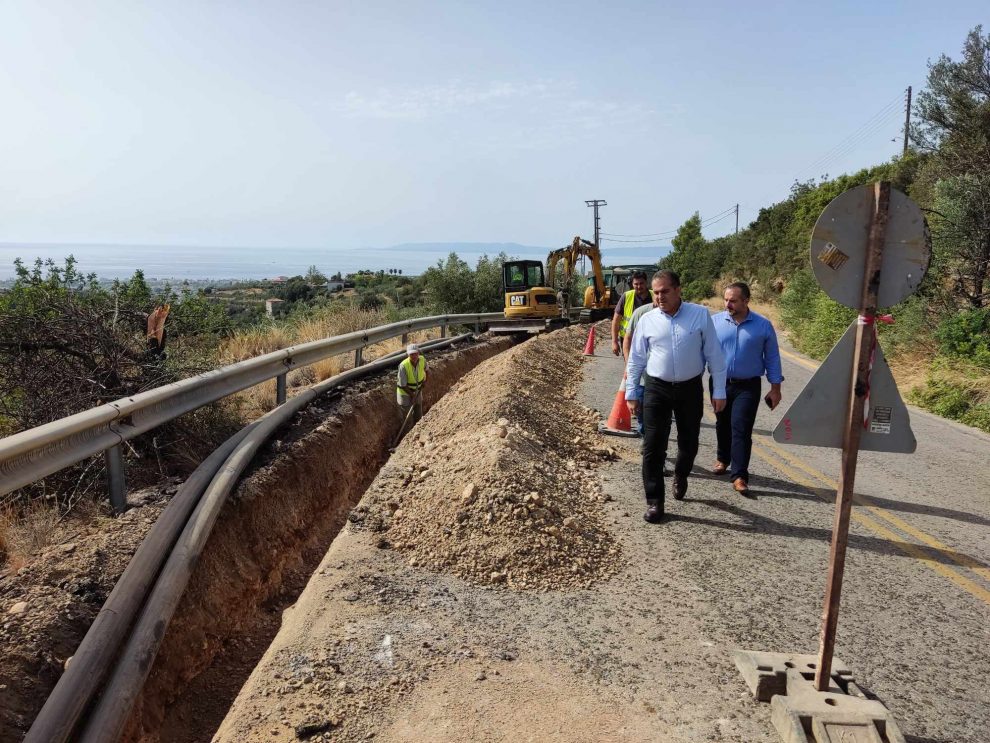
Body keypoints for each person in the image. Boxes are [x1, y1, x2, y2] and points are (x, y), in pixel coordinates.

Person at [625, 270, 726, 524]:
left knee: (689, 442)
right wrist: (632, 391)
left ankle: (681, 474)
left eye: (664, 291)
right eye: (656, 292)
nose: (659, 297)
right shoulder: (647, 320)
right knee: (652, 446)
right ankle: (655, 502)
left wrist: (720, 390)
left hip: (689, 388)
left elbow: (714, 355)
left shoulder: (700, 315)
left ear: (678, 290)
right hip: (656, 388)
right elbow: (636, 358)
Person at [712, 282, 783, 496]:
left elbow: (772, 358)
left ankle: (740, 474)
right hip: (720, 383)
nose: (728, 304)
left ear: (746, 301)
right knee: (722, 423)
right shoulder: (715, 322)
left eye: (733, 300)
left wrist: (775, 388)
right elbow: (703, 351)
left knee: (741, 428)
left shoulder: (762, 325)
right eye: (726, 300)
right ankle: (723, 459)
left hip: (748, 385)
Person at [611, 270, 652, 358]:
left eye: (641, 283)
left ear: (646, 283)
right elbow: (616, 321)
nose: (638, 286)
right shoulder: (626, 296)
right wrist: (614, 341)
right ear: (632, 284)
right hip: (629, 339)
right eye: (636, 284)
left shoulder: (654, 296)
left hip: (650, 339)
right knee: (630, 368)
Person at [397, 343, 427, 425]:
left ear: (418, 353)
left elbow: (427, 370)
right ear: (408, 355)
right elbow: (403, 385)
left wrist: (425, 381)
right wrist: (412, 395)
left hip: (417, 390)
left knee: (419, 415)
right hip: (404, 393)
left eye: (416, 354)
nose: (414, 356)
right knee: (407, 419)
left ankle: (419, 431)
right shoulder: (403, 366)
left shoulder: (422, 360)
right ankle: (407, 435)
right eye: (411, 354)